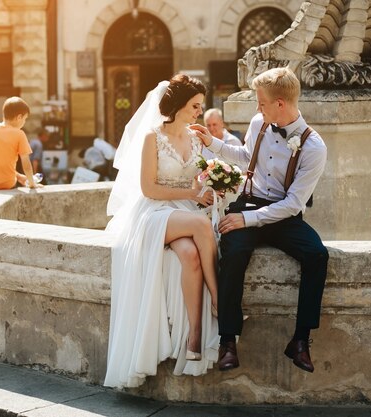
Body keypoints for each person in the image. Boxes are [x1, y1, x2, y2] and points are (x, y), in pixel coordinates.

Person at [191, 67, 328, 373]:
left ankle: (301, 340)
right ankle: (228, 341)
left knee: (317, 254)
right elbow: (244, 155)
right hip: (249, 201)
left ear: (281, 103)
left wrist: (248, 220)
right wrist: (211, 143)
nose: (257, 108)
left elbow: (294, 204)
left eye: (261, 102)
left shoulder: (314, 147)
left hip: (283, 214)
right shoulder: (259, 122)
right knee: (234, 251)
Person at [104, 74, 220, 388]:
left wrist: (210, 186)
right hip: (153, 213)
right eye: (195, 105)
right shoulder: (152, 138)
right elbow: (148, 188)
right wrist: (193, 195)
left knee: (190, 255)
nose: (199, 111)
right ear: (179, 105)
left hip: (182, 212)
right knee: (199, 225)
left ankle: (195, 336)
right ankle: (218, 298)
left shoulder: (196, 138)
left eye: (200, 106)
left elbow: (195, 180)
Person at [0, 97, 42, 190]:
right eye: (25, 119)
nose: (24, 122)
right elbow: (26, 163)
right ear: (19, 117)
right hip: (6, 184)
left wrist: (19, 177)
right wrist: (31, 183)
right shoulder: (19, 134)